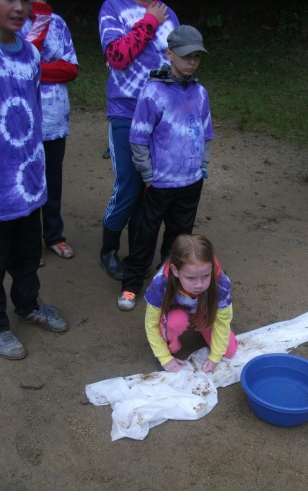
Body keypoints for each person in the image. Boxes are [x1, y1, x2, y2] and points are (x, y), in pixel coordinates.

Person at [117, 25, 214, 312]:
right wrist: (147, 174)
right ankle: (132, 283)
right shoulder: (153, 92)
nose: (191, 62)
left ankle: (170, 286)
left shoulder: (200, 93)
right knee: (145, 234)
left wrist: (203, 166)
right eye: (186, 56)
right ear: (169, 54)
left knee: (179, 238)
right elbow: (138, 137)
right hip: (159, 182)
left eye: (196, 57)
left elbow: (206, 132)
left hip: (191, 182)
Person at [0, 0, 68, 361]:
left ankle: (27, 304)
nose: (19, 7)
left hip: (26, 180)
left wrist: (36, 168)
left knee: (27, 254)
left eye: (24, 0)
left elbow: (34, 109)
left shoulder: (30, 54)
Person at [98, 0, 179, 280]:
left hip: (160, 114)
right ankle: (108, 250)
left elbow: (180, 60)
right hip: (126, 111)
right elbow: (117, 56)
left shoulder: (168, 11)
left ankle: (138, 252)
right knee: (129, 186)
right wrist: (150, 21)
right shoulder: (113, 8)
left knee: (149, 186)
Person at [22, 0, 79, 259]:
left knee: (52, 181)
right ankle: (28, 245)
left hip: (55, 119)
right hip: (22, 120)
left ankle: (54, 236)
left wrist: (33, 69)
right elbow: (14, 67)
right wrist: (35, 68)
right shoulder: (10, 22)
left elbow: (71, 69)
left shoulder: (58, 23)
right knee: (26, 183)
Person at [144, 234, 238, 373]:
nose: (199, 284)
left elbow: (222, 321)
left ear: (211, 267)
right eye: (190, 278)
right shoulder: (161, 282)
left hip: (203, 311)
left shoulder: (221, 283)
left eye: (206, 276)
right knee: (176, 322)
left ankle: (199, 324)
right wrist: (164, 357)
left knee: (229, 352)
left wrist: (215, 356)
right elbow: (151, 322)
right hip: (175, 313)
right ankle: (170, 345)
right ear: (175, 270)